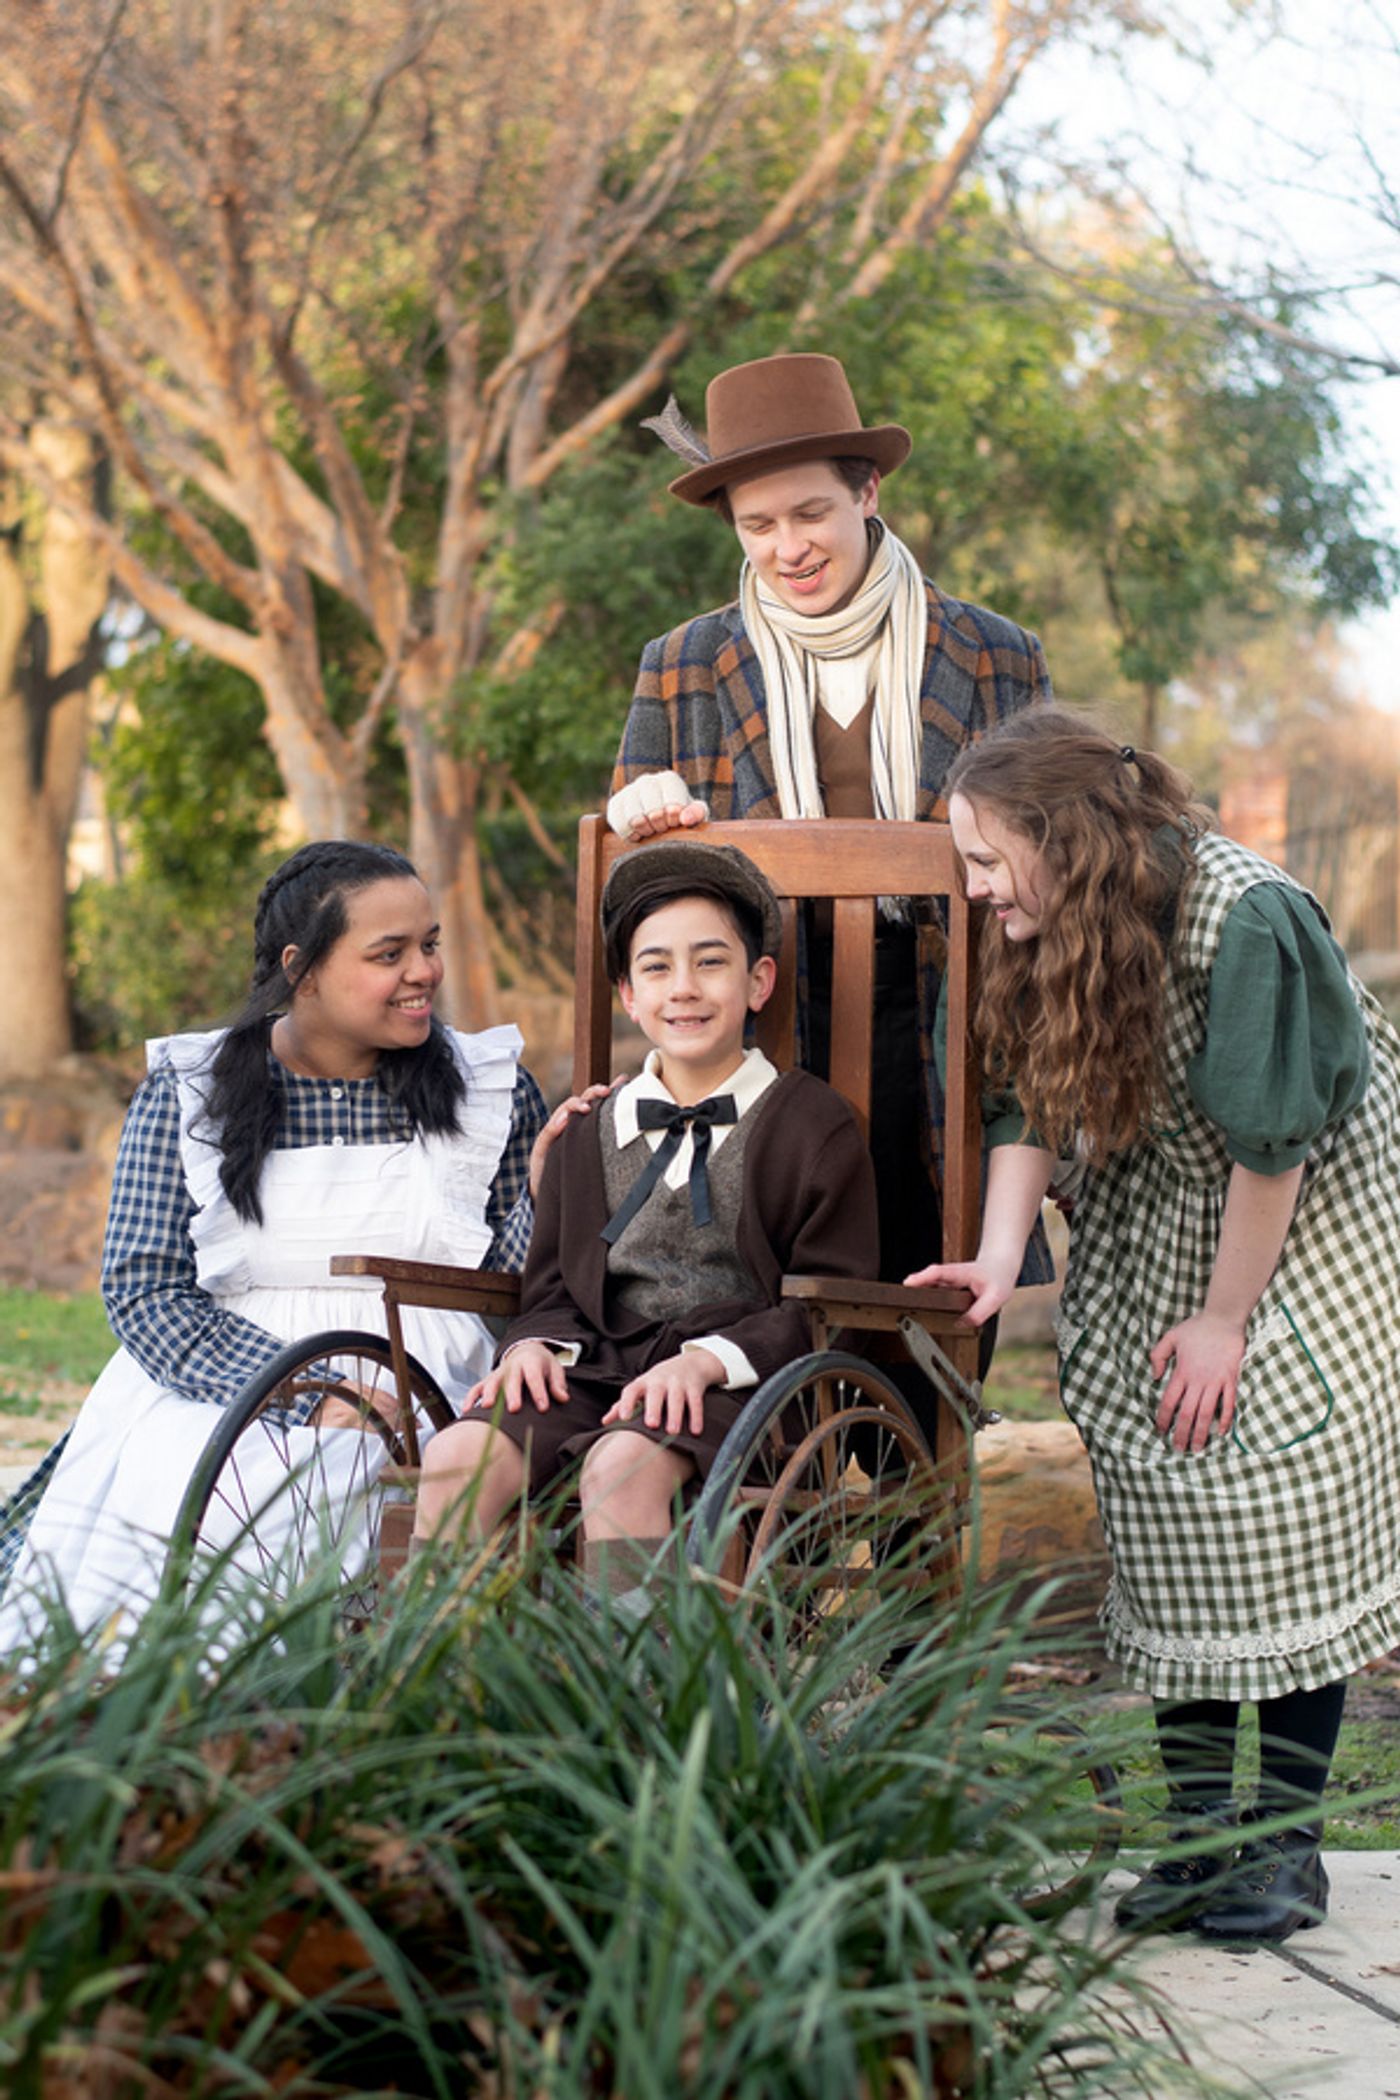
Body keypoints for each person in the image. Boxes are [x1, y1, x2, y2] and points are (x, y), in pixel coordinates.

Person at [908, 707, 1400, 1943]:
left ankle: (1281, 1847)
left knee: (1270, 1501)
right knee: (1162, 1493)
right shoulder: (1048, 922)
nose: (970, 889)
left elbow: (1270, 1137)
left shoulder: (1244, 919)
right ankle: (1196, 1840)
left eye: (983, 859)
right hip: (1161, 1193)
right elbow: (1021, 1097)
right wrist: (998, 1251)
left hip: (1295, 1213)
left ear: (1061, 837)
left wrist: (1225, 1321)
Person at [0, 839, 553, 1645]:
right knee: (211, 1493)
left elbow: (508, 1292)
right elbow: (144, 1289)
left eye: (429, 945)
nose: (424, 971)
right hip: (225, 1378)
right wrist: (313, 1391)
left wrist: (545, 1194)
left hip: (426, 1374)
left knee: (376, 1484)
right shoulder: (193, 1093)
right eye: (388, 953)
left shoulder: (486, 1087)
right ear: (302, 969)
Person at [608, 350, 1053, 1311]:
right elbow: (633, 884)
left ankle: (920, 1459)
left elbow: (1050, 860)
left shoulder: (994, 654)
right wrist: (637, 811)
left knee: (920, 1265)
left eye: (810, 513)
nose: (787, 547)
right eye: (757, 524)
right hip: (764, 1007)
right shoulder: (682, 664)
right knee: (768, 1272)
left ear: (867, 492)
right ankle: (771, 1451)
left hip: (946, 1004)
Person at [413, 839, 878, 1595]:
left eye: (711, 962)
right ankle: (431, 1685)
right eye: (656, 967)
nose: (683, 989)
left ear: (759, 981)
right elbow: (555, 1284)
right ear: (628, 995)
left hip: (740, 1390)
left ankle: (640, 1695)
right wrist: (531, 1347)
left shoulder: (809, 1126)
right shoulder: (590, 1130)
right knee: (457, 1457)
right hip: (597, 1371)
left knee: (621, 1466)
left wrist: (707, 1360)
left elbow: (834, 1299)